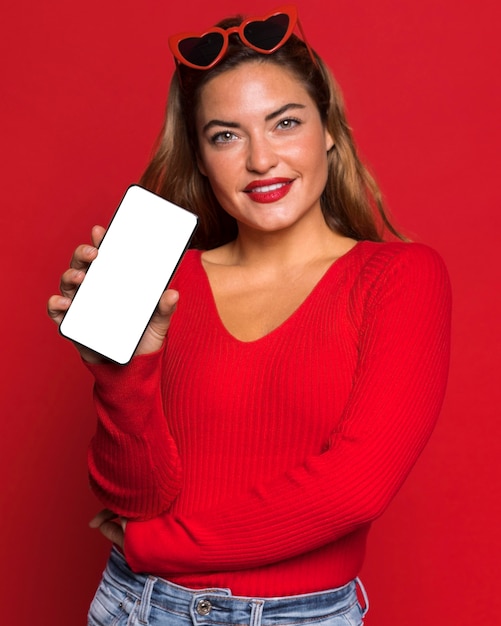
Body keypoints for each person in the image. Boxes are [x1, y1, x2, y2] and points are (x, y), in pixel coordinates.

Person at [47, 5, 452, 625]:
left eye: (284, 123)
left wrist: (154, 545)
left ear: (329, 130)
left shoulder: (397, 279)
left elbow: (353, 489)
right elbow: (135, 495)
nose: (261, 160)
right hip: (137, 607)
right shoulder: (169, 283)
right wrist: (120, 371)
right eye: (226, 135)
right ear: (202, 159)